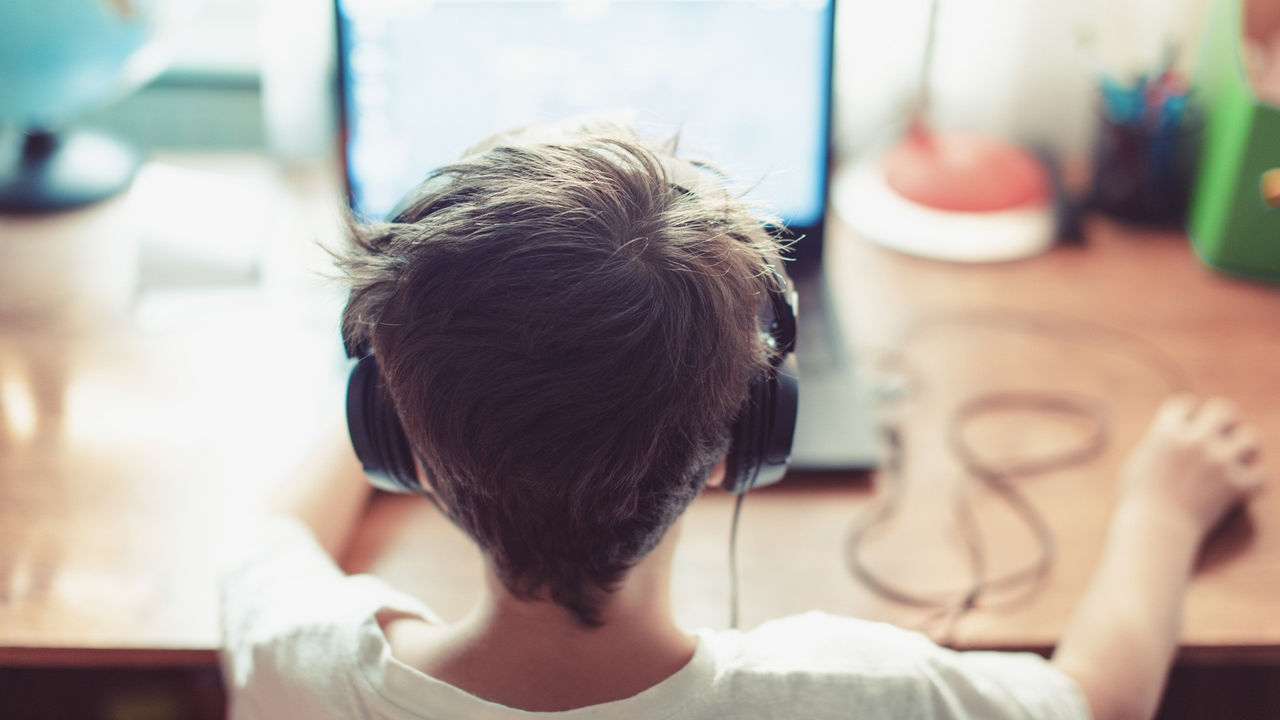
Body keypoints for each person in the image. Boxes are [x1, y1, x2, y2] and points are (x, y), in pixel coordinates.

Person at [219, 121, 1267, 720]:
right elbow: (1096, 701)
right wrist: (1161, 514)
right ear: (746, 440)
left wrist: (419, 384)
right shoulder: (847, 695)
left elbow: (267, 538)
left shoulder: (303, 661)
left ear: (392, 444)